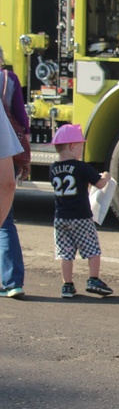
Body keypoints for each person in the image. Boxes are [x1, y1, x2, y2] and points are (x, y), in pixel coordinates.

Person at [48, 124, 113, 299]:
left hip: (60, 217)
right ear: (72, 146)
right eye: (80, 146)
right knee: (92, 249)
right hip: (81, 217)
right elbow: (100, 184)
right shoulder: (81, 167)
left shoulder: (52, 168)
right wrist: (105, 176)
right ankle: (93, 280)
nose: (81, 150)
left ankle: (67, 285)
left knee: (65, 253)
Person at [0, 51, 28, 298]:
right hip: (6, 153)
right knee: (5, 223)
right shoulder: (9, 79)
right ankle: (12, 282)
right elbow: (21, 116)